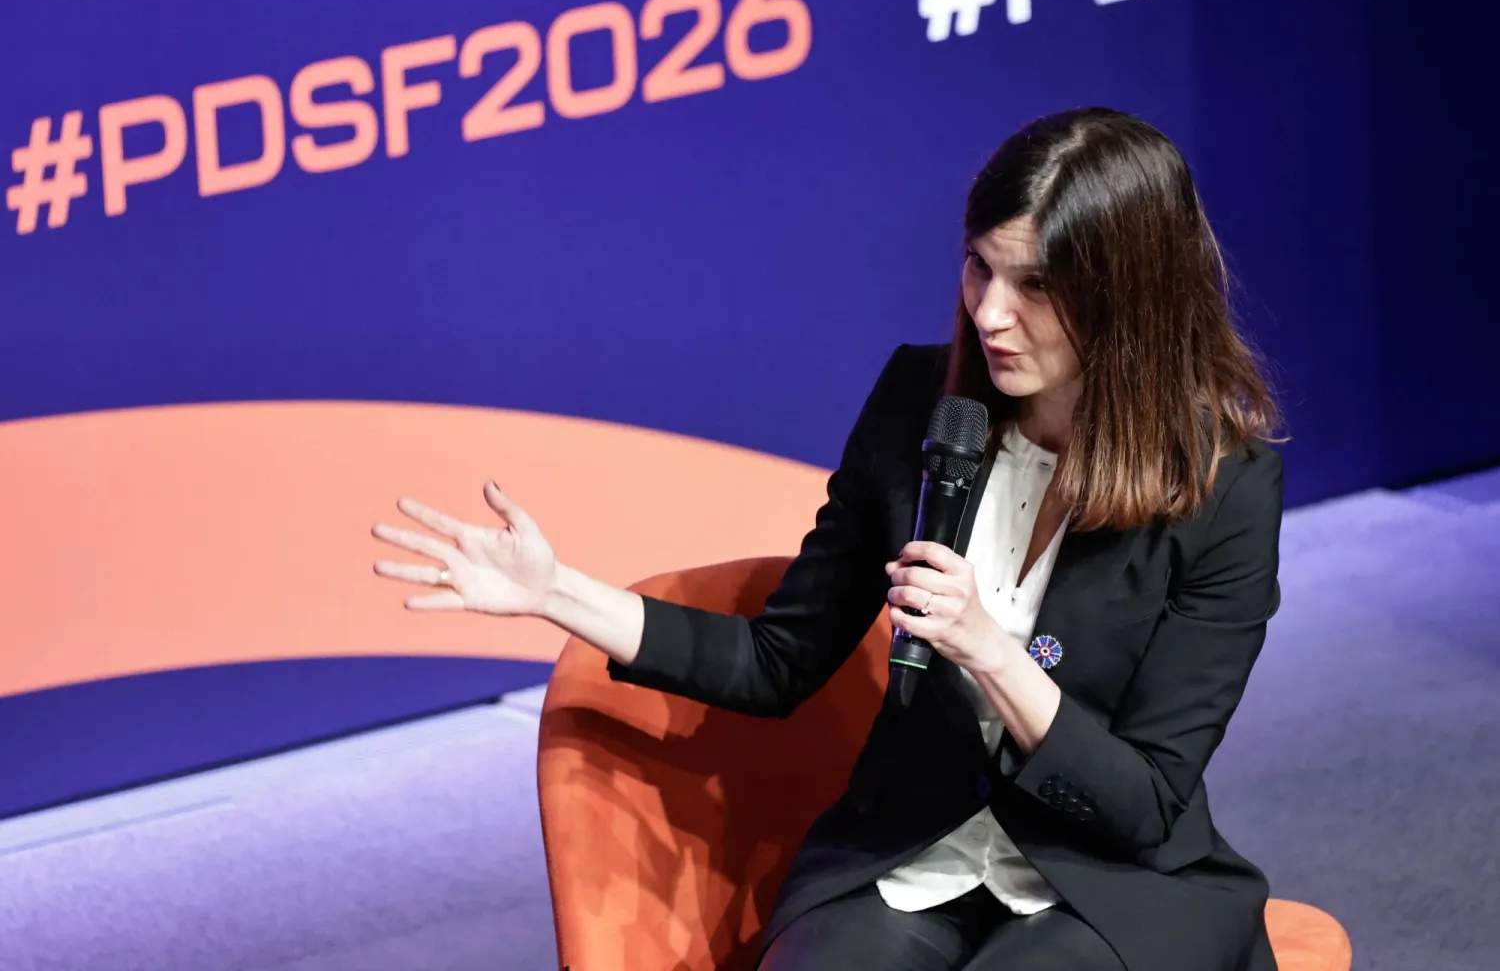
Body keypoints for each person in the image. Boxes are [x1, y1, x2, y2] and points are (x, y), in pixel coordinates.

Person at [371, 107, 1285, 971]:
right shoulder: (919, 410)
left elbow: (1141, 803)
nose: (990, 312)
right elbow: (779, 660)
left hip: (1106, 883)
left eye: (1037, 285)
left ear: (1132, 298)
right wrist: (555, 591)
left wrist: (991, 654)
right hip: (906, 856)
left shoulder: (1222, 486)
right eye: (978, 267)